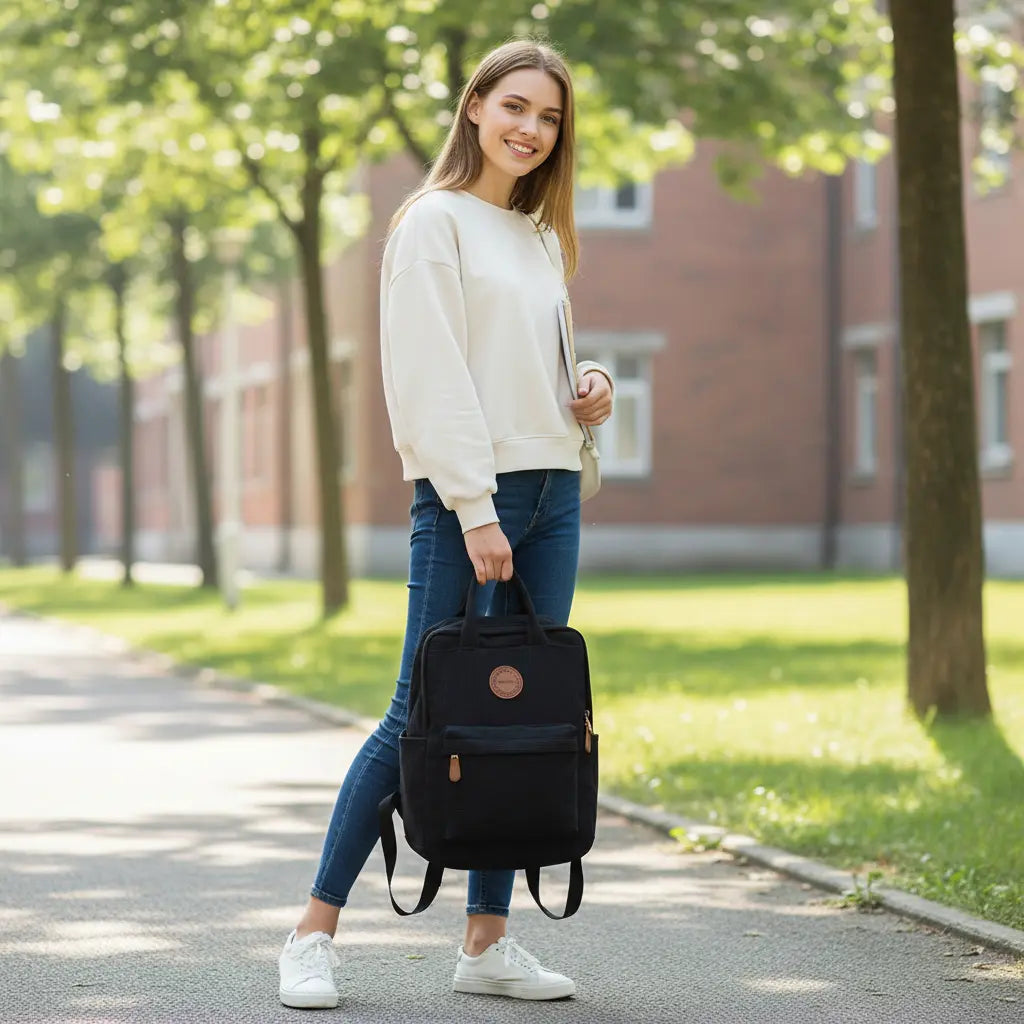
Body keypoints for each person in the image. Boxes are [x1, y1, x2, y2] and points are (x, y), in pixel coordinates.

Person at [278, 38, 615, 1010]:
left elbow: (515, 363)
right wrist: (474, 508)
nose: (530, 129)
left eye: (548, 118)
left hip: (552, 491)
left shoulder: (539, 235)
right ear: (474, 106)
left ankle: (486, 942)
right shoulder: (433, 223)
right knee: (418, 711)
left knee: (519, 711)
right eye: (514, 106)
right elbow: (431, 377)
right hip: (474, 497)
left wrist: (587, 384)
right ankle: (311, 933)